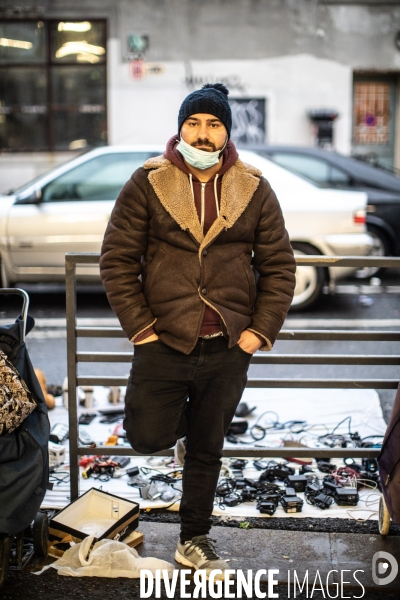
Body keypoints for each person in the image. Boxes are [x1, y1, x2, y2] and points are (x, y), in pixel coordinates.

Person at [100, 83, 296, 578]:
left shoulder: (254, 185)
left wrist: (258, 332)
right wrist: (141, 328)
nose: (203, 134)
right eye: (194, 123)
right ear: (180, 127)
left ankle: (194, 539)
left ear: (227, 131)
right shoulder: (148, 181)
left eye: (213, 124)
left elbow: (279, 267)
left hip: (229, 340)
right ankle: (186, 421)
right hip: (162, 337)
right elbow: (117, 260)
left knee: (208, 446)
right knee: (146, 435)